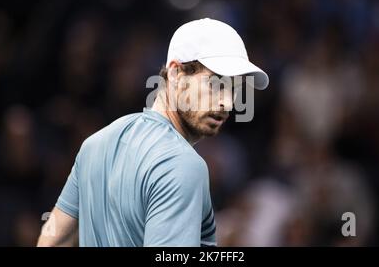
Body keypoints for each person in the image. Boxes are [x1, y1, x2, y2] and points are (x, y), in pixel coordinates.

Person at [37, 18, 269, 247]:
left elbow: (52, 242)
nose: (227, 103)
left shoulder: (96, 143)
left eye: (234, 88)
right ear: (176, 74)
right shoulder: (184, 165)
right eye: (215, 83)